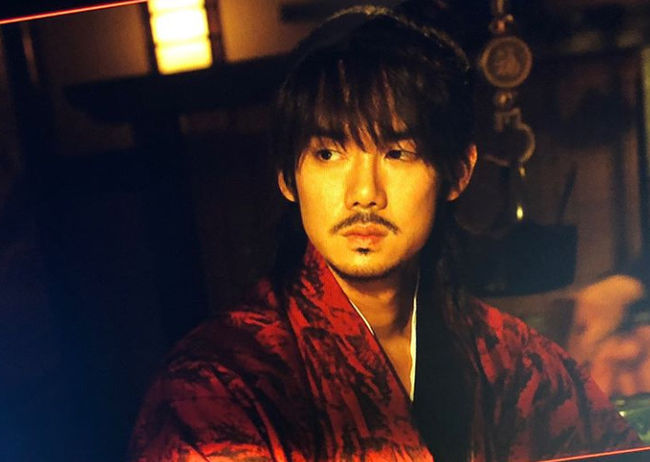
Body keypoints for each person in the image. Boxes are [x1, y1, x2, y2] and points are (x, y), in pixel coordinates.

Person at [128, 3, 640, 461]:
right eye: (328, 153)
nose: (364, 193)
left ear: (458, 173)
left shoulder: (515, 362)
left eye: (397, 153)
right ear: (287, 175)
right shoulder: (216, 386)